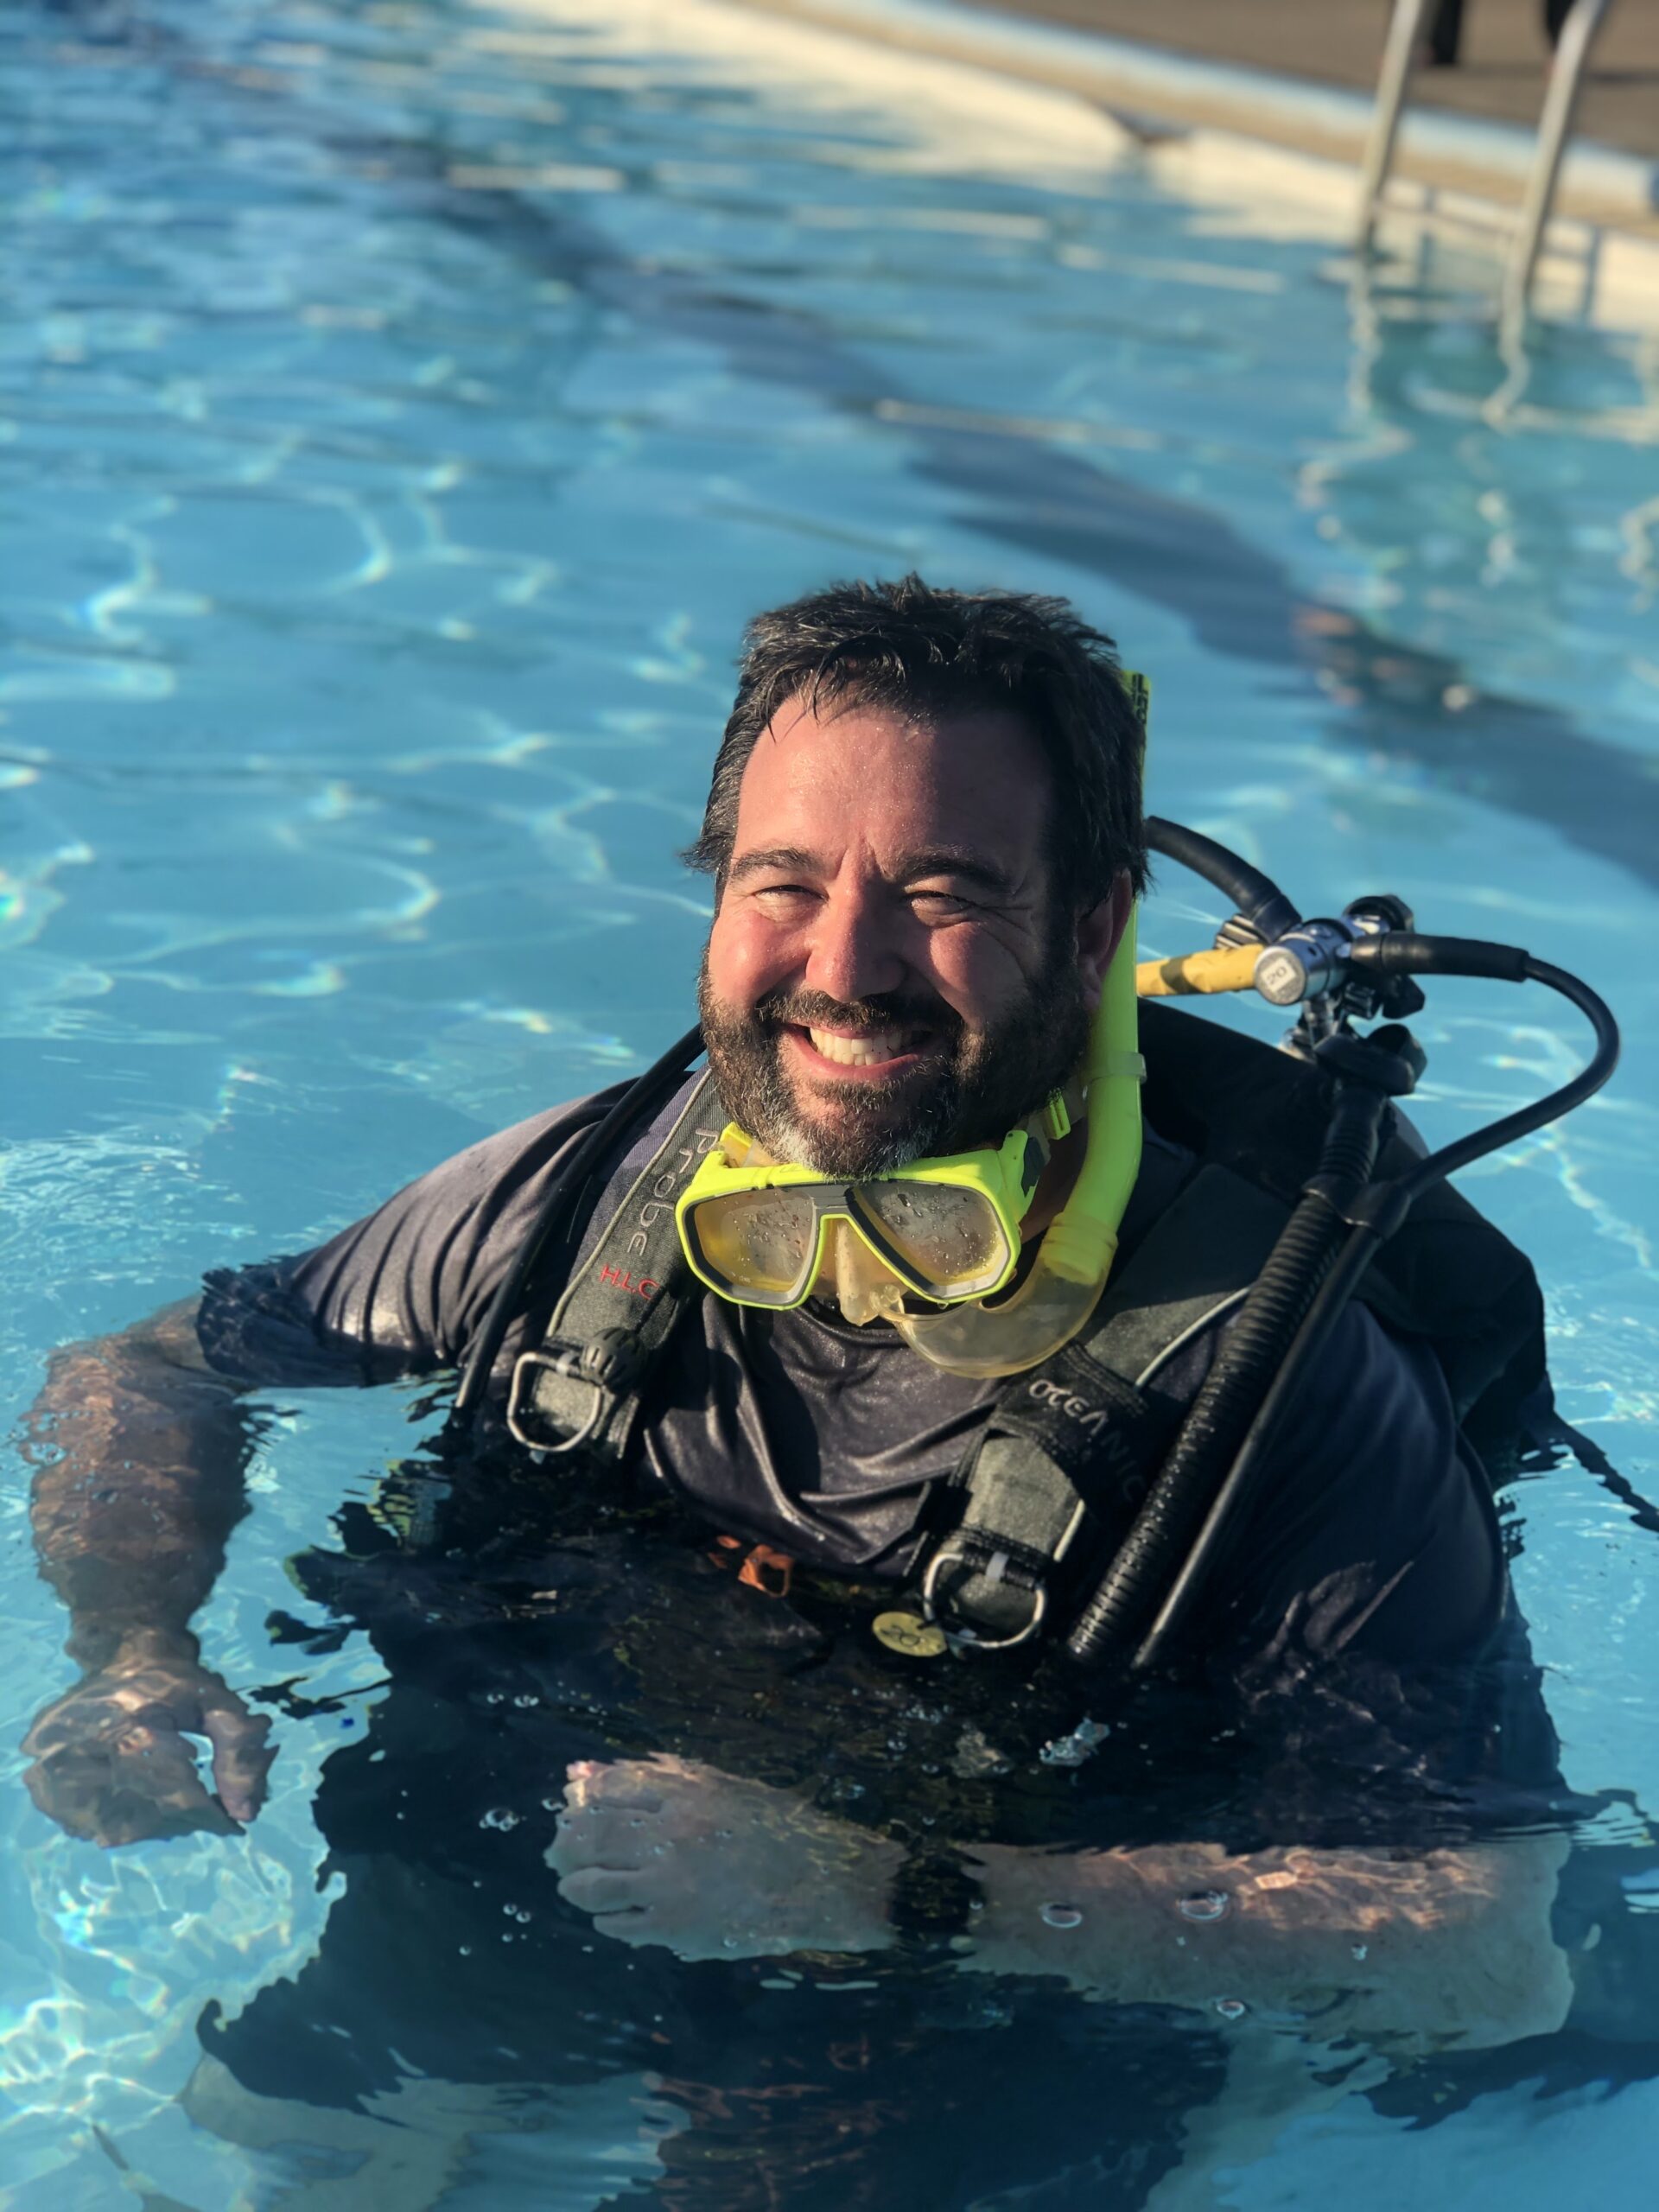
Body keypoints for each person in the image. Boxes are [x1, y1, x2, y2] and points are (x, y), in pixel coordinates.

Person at [22, 576, 1620, 2202]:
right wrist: (133, 1653)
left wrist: (904, 1897)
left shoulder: (1269, 1378)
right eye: (785, 879)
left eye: (942, 891)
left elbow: (1481, 1954)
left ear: (1090, 929)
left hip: (975, 2026)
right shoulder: (584, 1201)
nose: (844, 966)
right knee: (237, 2165)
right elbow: (142, 1370)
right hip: (515, 1897)